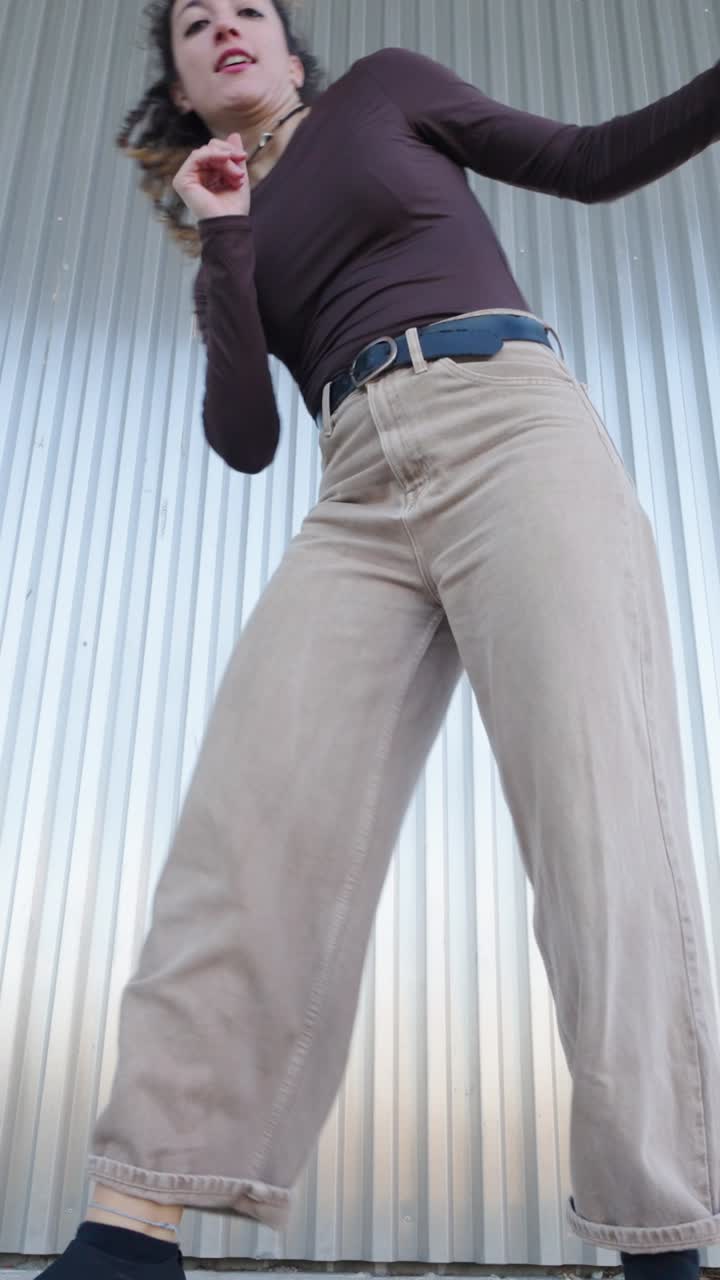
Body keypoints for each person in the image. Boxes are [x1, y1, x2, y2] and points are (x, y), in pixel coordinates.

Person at [37, 2, 720, 1278]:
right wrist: (226, 234)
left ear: (295, 55)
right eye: (196, 22)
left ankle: (661, 1235)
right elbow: (245, 435)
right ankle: (130, 1228)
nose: (225, 25)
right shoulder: (221, 222)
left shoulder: (388, 92)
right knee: (247, 822)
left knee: (598, 823)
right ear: (182, 84)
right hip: (355, 487)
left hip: (511, 425)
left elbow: (585, 162)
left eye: (251, 10)